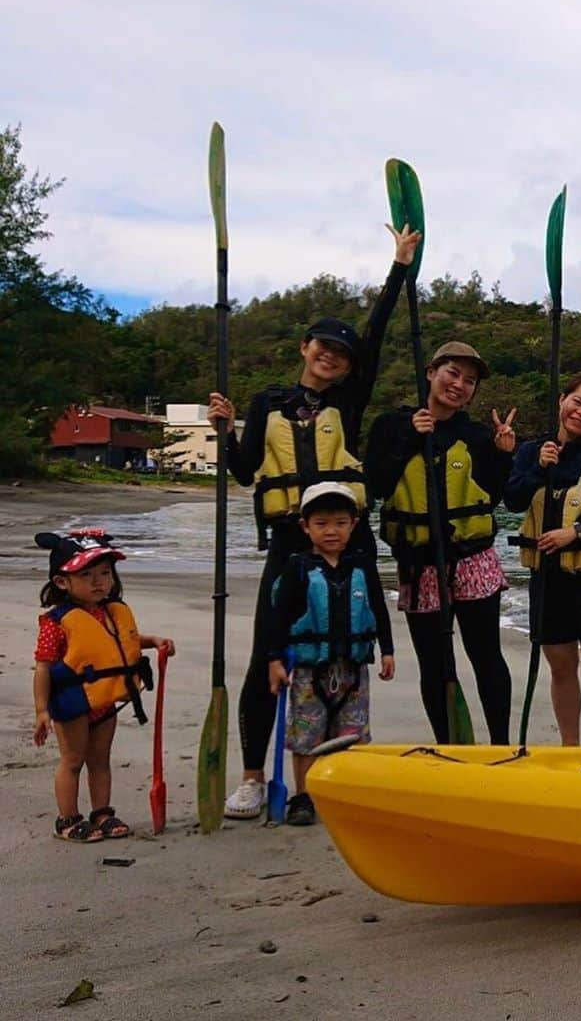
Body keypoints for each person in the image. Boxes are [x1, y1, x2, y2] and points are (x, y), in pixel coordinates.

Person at [207, 222, 420, 819]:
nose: (331, 358)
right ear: (305, 347)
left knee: (341, 655)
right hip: (287, 545)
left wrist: (399, 267)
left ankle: (333, 774)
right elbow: (248, 472)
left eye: (341, 355)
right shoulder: (266, 403)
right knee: (266, 655)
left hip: (345, 543)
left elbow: (375, 337)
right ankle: (253, 776)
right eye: (323, 347)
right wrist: (225, 433)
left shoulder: (347, 404)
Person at [367, 342, 516, 744]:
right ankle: (449, 744)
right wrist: (411, 440)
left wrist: (504, 456)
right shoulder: (391, 425)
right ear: (431, 372)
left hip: (473, 559)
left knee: (486, 657)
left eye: (469, 381)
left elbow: (494, 495)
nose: (460, 385)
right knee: (436, 665)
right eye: (453, 373)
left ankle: (500, 743)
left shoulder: (477, 435)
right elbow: (376, 485)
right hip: (419, 564)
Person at [32, 530, 176, 842]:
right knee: (73, 761)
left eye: (105, 573)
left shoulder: (110, 612)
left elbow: (125, 642)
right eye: (87, 575)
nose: (99, 582)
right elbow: (43, 666)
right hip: (72, 699)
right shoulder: (56, 622)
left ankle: (102, 813)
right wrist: (42, 709)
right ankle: (67, 819)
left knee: (100, 760)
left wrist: (154, 642)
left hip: (105, 700)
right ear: (61, 582)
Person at [506, 374, 581, 746]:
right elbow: (512, 500)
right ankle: (569, 748)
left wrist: (575, 531)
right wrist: (540, 468)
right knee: (561, 667)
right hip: (549, 577)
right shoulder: (531, 451)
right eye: (577, 402)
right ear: (562, 401)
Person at [266, 483, 394, 825]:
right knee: (307, 736)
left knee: (351, 733)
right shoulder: (297, 567)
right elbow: (278, 618)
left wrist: (388, 651)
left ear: (353, 524)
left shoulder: (362, 565)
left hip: (353, 668)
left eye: (340, 522)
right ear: (305, 527)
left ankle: (344, 792)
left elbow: (379, 608)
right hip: (310, 670)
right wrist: (274, 660)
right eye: (321, 523)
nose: (331, 531)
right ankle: (304, 796)